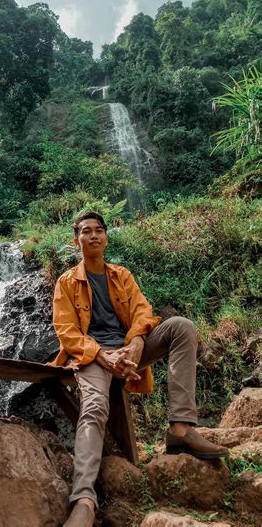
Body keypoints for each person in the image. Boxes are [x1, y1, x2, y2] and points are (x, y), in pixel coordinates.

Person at [50, 211, 228, 527]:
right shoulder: (66, 283)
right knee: (93, 408)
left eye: (99, 230)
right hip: (92, 357)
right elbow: (66, 331)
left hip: (131, 351)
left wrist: (135, 342)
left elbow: (143, 312)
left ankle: (180, 429)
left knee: (181, 327)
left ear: (105, 237)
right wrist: (102, 355)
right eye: (86, 231)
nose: (94, 236)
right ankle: (84, 499)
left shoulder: (122, 276)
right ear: (76, 240)